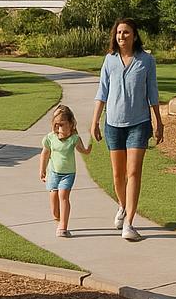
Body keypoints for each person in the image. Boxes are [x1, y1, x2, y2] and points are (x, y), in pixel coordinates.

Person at [90, 18, 163, 243]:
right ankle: (122, 206)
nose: (122, 36)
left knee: (133, 173)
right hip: (113, 124)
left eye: (126, 32)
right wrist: (94, 122)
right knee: (117, 175)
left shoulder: (146, 60)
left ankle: (129, 223)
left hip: (139, 124)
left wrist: (158, 121)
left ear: (135, 35)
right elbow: (102, 92)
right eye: (119, 32)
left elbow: (152, 92)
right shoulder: (109, 60)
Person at [39, 104, 92, 237]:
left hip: (68, 174)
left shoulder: (74, 139)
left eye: (62, 124)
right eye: (56, 125)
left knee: (63, 196)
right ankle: (58, 218)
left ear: (70, 123)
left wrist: (88, 148)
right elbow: (45, 154)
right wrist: (42, 170)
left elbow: (82, 150)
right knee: (54, 206)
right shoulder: (50, 138)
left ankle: (63, 227)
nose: (59, 128)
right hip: (53, 173)